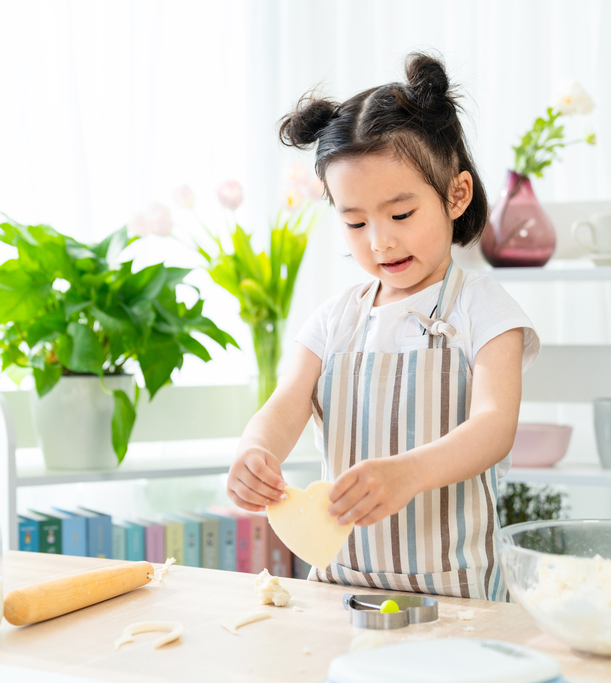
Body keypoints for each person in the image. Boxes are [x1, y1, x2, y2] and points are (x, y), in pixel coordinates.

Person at [225, 52, 539, 601]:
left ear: (455, 194)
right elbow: (284, 404)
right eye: (355, 221)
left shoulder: (485, 310)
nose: (379, 241)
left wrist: (409, 473)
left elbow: (494, 426)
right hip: (339, 591)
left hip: (456, 595)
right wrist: (255, 451)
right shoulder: (334, 320)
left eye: (400, 215)